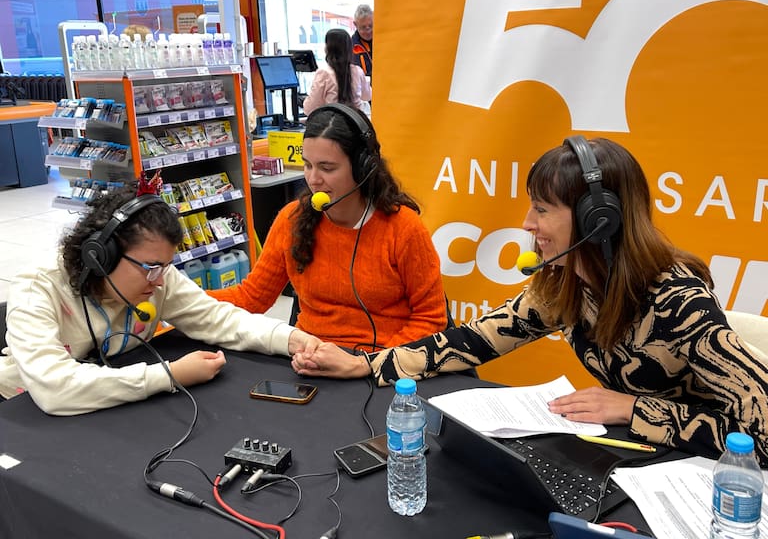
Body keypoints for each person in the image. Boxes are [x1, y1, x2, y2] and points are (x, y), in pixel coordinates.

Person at [291, 136, 768, 466]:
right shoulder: (568, 284)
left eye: (542, 209)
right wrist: (365, 364)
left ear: (598, 221)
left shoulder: (679, 303)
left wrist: (633, 409)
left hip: (703, 479)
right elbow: (473, 341)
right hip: (637, 462)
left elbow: (763, 435)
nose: (527, 223)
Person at [0, 180, 323, 415]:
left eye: (165, 267)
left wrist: (291, 339)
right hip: (23, 412)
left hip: (112, 405)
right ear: (101, 256)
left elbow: (216, 318)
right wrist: (170, 375)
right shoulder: (37, 287)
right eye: (150, 268)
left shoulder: (158, 276)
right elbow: (54, 388)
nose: (159, 281)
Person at [209, 103, 447, 350]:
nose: (313, 179)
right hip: (309, 358)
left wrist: (369, 364)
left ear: (363, 167)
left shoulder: (403, 228)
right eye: (308, 165)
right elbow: (251, 297)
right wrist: (185, 300)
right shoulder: (292, 219)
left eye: (327, 168)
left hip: (379, 363)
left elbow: (431, 318)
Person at [302, 29, 372, 115]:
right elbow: (367, 96)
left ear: (328, 48)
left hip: (332, 121)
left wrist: (304, 100)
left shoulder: (324, 73)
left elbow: (309, 108)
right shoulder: (358, 71)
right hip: (356, 120)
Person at [351, 4, 373, 78]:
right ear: (355, 24)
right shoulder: (350, 47)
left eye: (371, 26)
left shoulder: (382, 41)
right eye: (363, 27)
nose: (368, 31)